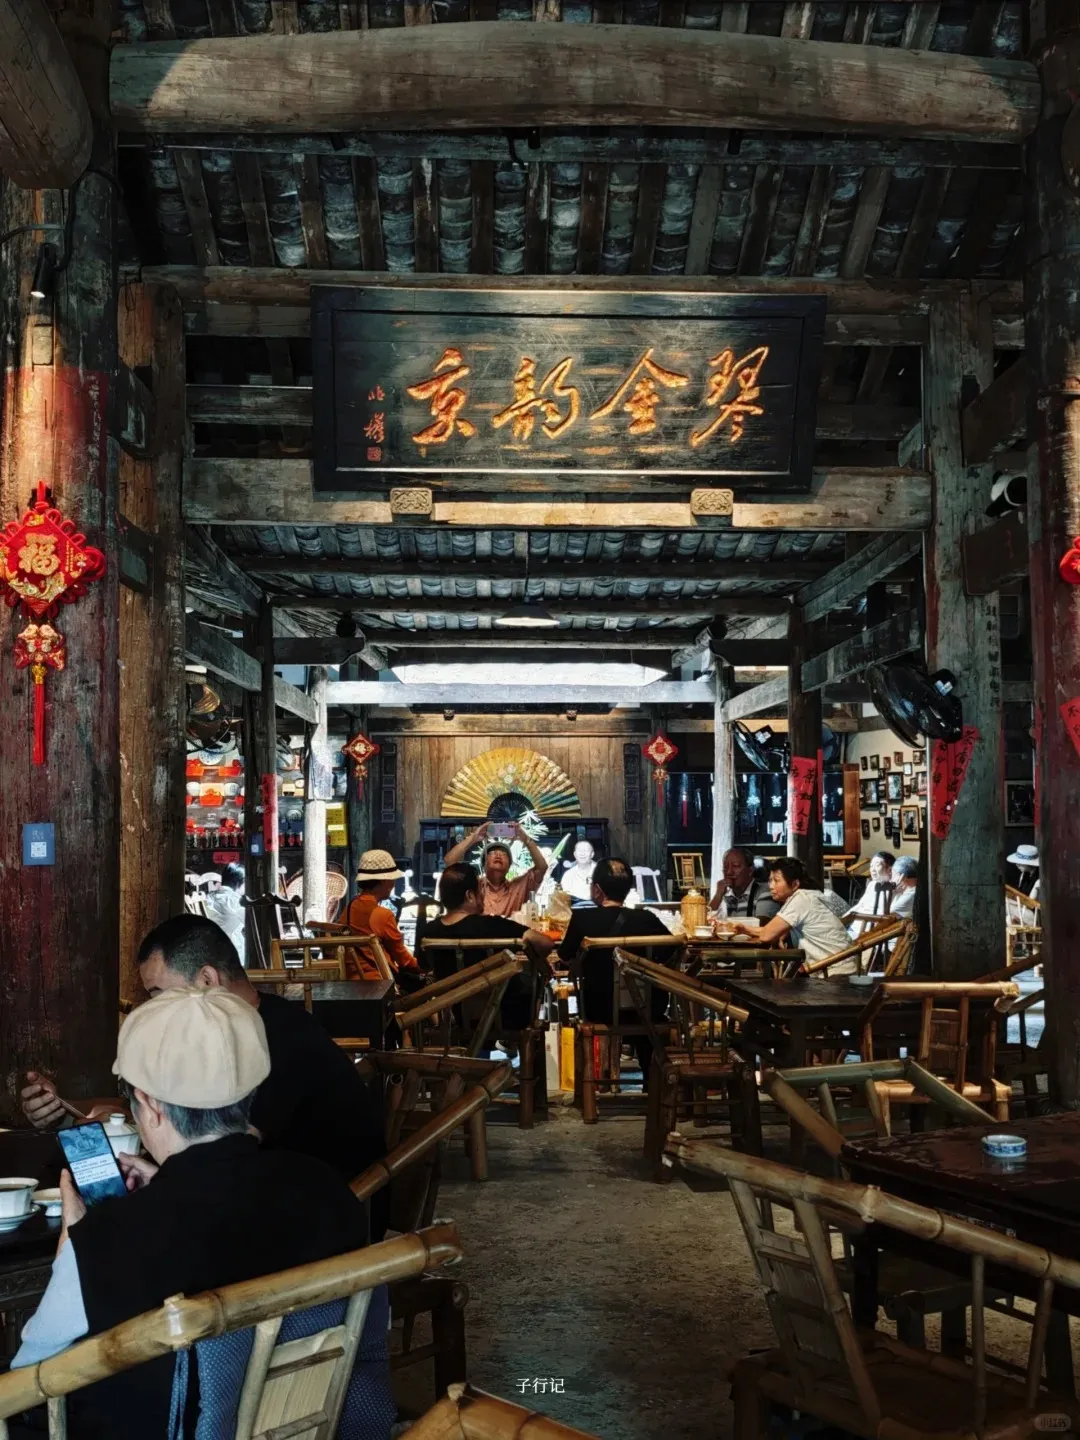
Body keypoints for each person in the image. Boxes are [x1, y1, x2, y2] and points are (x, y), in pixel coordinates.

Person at [12, 987, 391, 1440]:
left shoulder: (109, 1238)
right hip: (306, 1426)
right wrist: (170, 1186)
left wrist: (72, 1248)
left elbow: (29, 1376)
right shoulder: (329, 1189)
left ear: (149, 1105)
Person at [21, 916, 387, 1217]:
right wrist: (73, 1119)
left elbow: (217, 1156)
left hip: (312, 1228)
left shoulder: (276, 1040)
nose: (156, 1010)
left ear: (208, 980)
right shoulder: (239, 1032)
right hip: (270, 1210)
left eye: (160, 996)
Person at [557, 857, 673, 1086]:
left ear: (597, 890)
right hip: (646, 1007)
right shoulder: (647, 919)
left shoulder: (582, 919)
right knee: (644, 1006)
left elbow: (564, 957)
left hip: (599, 1007)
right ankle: (652, 1084)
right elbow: (673, 951)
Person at [422, 862, 555, 1041]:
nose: (483, 895)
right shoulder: (493, 925)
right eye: (480, 889)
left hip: (454, 1014)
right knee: (529, 981)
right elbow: (545, 943)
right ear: (470, 895)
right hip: (501, 1014)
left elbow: (422, 967)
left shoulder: (429, 932)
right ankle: (518, 1050)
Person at [729, 856, 852, 970]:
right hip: (835, 967)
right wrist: (744, 929)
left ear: (794, 884)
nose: (771, 886)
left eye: (776, 881)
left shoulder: (801, 899)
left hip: (836, 972)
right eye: (770, 880)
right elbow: (771, 931)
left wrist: (745, 929)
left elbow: (766, 935)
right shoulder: (806, 896)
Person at [346, 848, 424, 985]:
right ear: (383, 881)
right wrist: (423, 968)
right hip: (379, 982)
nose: (393, 884)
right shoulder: (382, 915)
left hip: (351, 979)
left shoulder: (350, 907)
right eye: (392, 879)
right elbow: (403, 959)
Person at [442, 821, 549, 918]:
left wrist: (526, 839)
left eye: (504, 854)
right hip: (478, 937)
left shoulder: (519, 887)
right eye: (492, 853)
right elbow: (449, 861)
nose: (498, 854)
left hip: (511, 938)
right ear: (483, 864)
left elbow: (542, 868)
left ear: (510, 866)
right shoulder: (475, 885)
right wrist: (473, 838)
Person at [709, 847, 779, 923]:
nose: (729, 872)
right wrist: (718, 895)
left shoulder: (765, 892)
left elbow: (761, 926)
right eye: (725, 867)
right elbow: (706, 920)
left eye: (735, 866)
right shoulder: (727, 895)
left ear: (750, 871)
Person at [201, 860, 246, 962]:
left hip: (209, 949)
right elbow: (251, 922)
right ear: (241, 882)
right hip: (232, 952)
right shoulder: (234, 901)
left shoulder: (210, 897)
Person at [846, 851, 895, 936]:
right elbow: (859, 905)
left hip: (868, 933)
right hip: (854, 927)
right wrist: (841, 920)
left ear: (889, 869)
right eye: (871, 866)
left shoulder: (893, 889)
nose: (872, 869)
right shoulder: (872, 884)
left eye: (877, 865)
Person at [888, 854, 918, 919]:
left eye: (893, 875)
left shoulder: (912, 893)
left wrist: (893, 892)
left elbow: (886, 915)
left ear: (901, 876)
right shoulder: (906, 890)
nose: (891, 879)